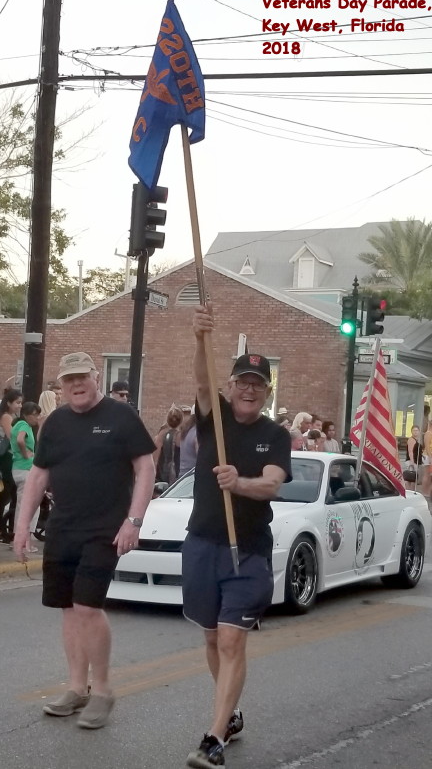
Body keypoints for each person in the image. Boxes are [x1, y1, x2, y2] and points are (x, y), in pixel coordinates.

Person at [13, 351, 155, 730]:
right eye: (68, 379)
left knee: (88, 606)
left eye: (82, 377)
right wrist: (22, 525)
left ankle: (103, 690)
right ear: (60, 386)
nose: (76, 385)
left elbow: (145, 468)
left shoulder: (121, 416)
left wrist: (134, 521)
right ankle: (77, 688)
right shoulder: (54, 423)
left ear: (96, 377)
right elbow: (38, 476)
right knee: (68, 608)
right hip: (63, 527)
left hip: (105, 528)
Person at [184, 304, 291, 769]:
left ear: (266, 394)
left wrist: (239, 483)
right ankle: (230, 714)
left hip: (246, 552)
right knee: (211, 639)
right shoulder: (215, 420)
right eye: (242, 382)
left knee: (231, 640)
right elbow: (202, 382)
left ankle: (213, 739)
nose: (248, 390)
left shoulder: (275, 434)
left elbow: (271, 484)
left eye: (257, 385)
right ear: (231, 388)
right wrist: (200, 337)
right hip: (203, 543)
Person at [0, 390, 23, 543]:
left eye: (21, 403)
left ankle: (1, 528)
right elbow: (12, 438)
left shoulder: (8, 416)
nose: (19, 406)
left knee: (7, 494)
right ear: (9, 403)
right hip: (5, 459)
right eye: (17, 402)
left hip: (4, 458)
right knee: (5, 494)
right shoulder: (6, 417)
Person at [11, 402, 41, 552]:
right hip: (25, 468)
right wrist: (26, 454)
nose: (36, 418)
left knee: (23, 504)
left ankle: (21, 539)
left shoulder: (17, 425)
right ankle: (23, 541)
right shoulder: (23, 425)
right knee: (29, 506)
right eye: (34, 415)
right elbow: (20, 440)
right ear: (25, 414)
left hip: (18, 468)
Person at [153, 406, 183, 484]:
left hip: (162, 474)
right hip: (177, 474)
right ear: (181, 420)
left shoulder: (161, 434)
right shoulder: (181, 436)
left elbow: (155, 458)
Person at [179, 405, 198, 478]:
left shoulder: (186, 431)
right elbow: (200, 458)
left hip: (182, 475)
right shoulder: (197, 433)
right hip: (192, 476)